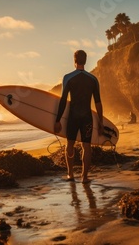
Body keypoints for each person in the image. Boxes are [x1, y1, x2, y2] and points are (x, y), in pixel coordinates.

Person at [54, 50, 103, 184]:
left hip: (73, 117)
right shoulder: (93, 79)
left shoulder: (68, 77)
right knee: (86, 146)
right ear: (85, 61)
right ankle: (84, 176)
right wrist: (101, 121)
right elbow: (98, 102)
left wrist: (57, 120)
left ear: (74, 61)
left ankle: (70, 174)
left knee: (70, 144)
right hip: (87, 117)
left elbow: (63, 101)